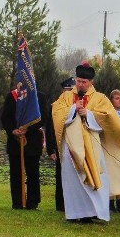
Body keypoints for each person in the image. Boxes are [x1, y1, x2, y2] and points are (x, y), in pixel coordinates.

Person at [51, 63, 120, 223]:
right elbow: (57, 112)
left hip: (93, 144)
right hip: (70, 146)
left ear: (91, 82)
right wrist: (73, 110)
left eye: (84, 82)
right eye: (78, 81)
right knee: (72, 179)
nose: (80, 84)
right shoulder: (66, 97)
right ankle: (75, 213)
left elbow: (109, 117)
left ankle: (93, 212)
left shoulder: (100, 98)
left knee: (96, 176)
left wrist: (88, 114)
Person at [1, 84, 47, 209]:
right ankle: (18, 202)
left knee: (33, 173)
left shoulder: (39, 96)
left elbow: (42, 118)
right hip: (15, 141)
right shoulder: (12, 96)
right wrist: (13, 130)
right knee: (16, 173)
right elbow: (5, 117)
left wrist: (27, 129)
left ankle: (33, 203)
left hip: (32, 141)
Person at [47, 77, 75, 212]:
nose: (69, 92)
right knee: (61, 175)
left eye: (72, 89)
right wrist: (51, 149)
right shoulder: (55, 106)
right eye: (67, 89)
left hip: (75, 145)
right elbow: (50, 129)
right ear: (63, 91)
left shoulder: (79, 105)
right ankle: (61, 204)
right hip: (60, 145)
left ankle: (74, 203)